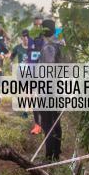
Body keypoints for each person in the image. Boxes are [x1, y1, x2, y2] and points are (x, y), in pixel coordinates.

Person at [37, 18, 65, 162]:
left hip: (49, 89)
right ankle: (56, 152)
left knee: (47, 122)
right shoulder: (61, 43)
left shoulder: (49, 47)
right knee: (56, 121)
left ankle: (50, 155)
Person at [26, 18, 47, 134]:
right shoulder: (30, 39)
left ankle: (46, 123)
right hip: (33, 73)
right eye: (35, 25)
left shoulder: (48, 39)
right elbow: (29, 55)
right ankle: (37, 125)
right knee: (34, 98)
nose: (37, 27)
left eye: (40, 25)